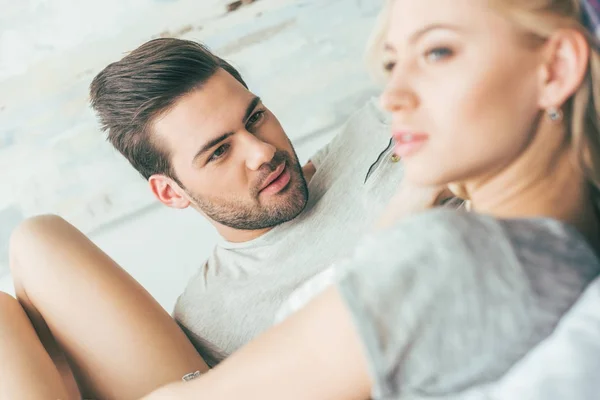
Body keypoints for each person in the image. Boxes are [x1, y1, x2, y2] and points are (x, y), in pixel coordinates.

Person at [138, 0, 600, 399]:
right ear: (169, 192)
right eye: (393, 64)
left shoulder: (453, 255)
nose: (393, 96)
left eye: (437, 52)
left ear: (555, 68)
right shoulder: (549, 244)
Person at [0, 37, 442, 398]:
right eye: (219, 151)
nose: (263, 152)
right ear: (171, 193)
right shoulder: (202, 318)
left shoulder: (381, 125)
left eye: (255, 118)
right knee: (33, 244)